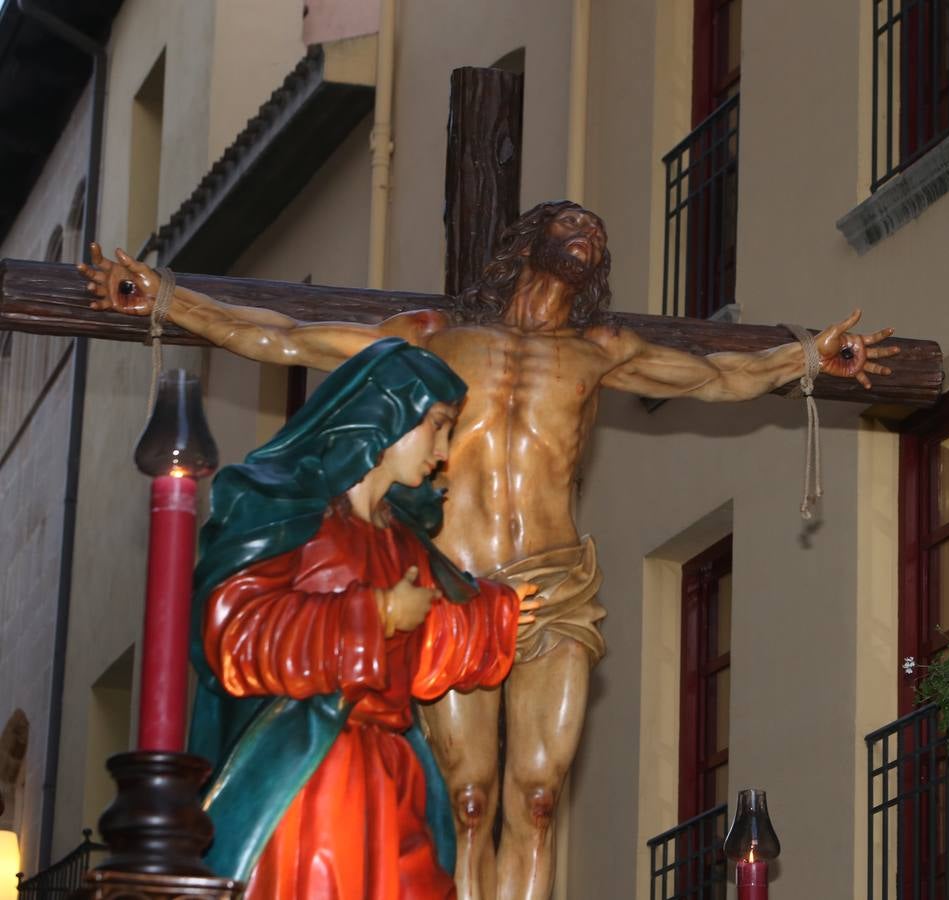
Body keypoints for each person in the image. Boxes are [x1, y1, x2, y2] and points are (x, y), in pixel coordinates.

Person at [79, 201, 899, 900]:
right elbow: (290, 336)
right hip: (451, 588)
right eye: (572, 224)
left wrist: (808, 358)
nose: (589, 235)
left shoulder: (598, 352)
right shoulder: (435, 339)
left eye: (598, 236)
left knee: (537, 796)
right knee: (467, 796)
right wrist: (168, 301)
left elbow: (716, 377)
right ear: (528, 242)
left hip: (554, 588)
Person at [190, 338, 538, 898]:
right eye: (438, 426)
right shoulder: (290, 514)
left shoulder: (399, 539)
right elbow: (236, 635)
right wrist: (371, 614)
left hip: (391, 770)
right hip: (314, 776)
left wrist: (502, 614)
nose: (444, 451)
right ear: (386, 413)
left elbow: (422, 648)